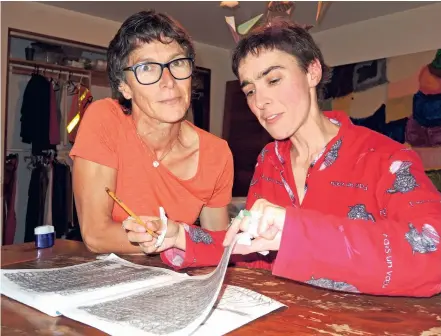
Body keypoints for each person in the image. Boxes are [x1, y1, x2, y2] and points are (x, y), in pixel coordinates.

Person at [124, 19, 441, 297]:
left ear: (312, 72)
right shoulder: (269, 160)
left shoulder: (388, 159)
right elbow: (253, 249)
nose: (260, 101)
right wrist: (180, 236)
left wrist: (294, 228)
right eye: (250, 90)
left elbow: (433, 254)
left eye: (273, 80)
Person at [70, 10, 233, 254]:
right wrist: (174, 239)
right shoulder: (105, 119)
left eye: (177, 63)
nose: (168, 81)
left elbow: (217, 247)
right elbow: (96, 234)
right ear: (125, 87)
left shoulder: (217, 153)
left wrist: (178, 237)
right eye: (147, 68)